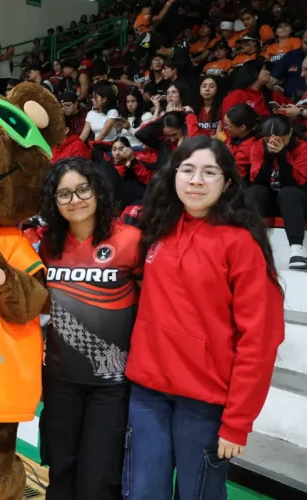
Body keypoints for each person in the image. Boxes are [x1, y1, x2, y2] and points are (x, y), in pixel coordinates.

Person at [123, 136, 285, 500]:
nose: (196, 180)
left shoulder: (241, 244)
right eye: (188, 170)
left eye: (209, 172)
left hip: (204, 403)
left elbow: (260, 339)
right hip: (147, 394)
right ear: (174, 175)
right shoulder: (158, 229)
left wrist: (237, 422)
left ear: (226, 183)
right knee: (141, 493)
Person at [38, 157, 142, 500]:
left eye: (83, 189)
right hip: (60, 379)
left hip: (111, 384)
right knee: (61, 468)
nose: (76, 200)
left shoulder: (131, 240)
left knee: (99, 477)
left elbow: (148, 305)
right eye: (64, 194)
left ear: (97, 191)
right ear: (54, 202)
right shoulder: (49, 245)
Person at [248, 115, 307, 269]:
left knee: (288, 193)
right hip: (270, 199)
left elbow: (296, 183)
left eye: (281, 139)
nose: (274, 143)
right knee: (254, 191)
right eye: (268, 140)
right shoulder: (257, 147)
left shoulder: (302, 148)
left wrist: (282, 156)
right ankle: (251, 245)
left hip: (296, 201)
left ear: (290, 133)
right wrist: (268, 157)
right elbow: (257, 180)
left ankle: (297, 248)